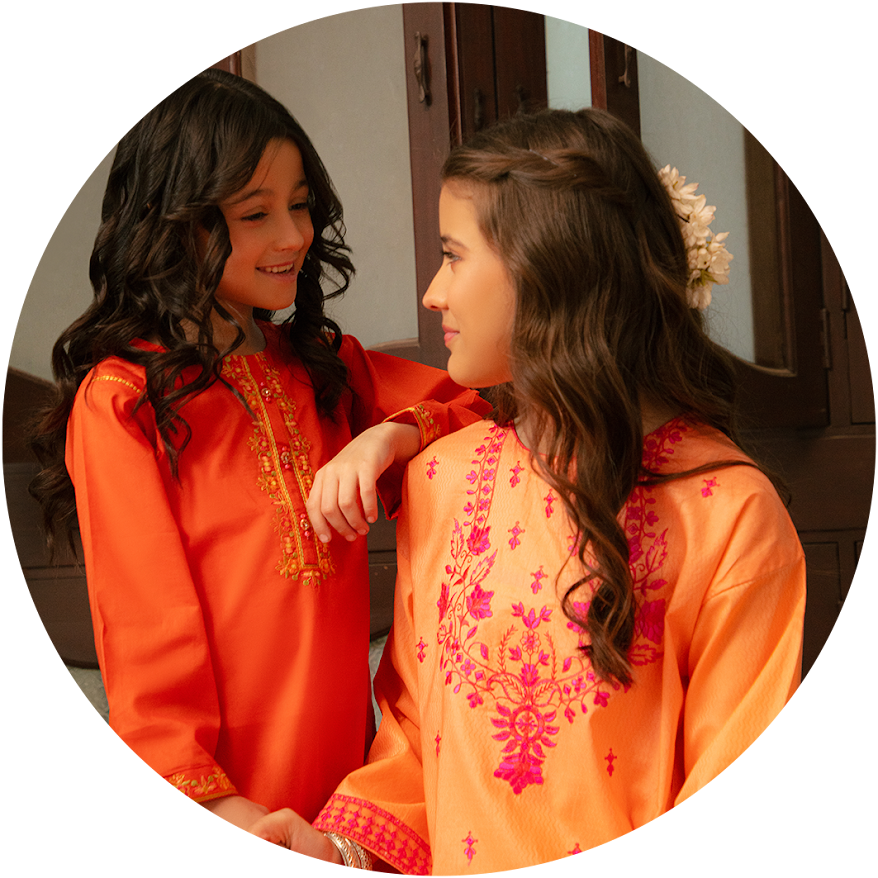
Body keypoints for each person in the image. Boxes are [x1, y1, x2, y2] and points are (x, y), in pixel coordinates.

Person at [246, 108, 806, 871]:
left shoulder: (732, 516)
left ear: (548, 269)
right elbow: (413, 744)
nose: (433, 294)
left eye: (453, 256)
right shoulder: (441, 480)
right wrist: (337, 848)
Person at [27, 68, 489, 831]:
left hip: (349, 805)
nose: (294, 236)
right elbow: (147, 634)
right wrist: (220, 804)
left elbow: (483, 412)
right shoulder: (121, 402)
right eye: (256, 213)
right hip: (226, 800)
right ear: (175, 225)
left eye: (300, 205)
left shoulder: (325, 366)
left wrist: (391, 434)